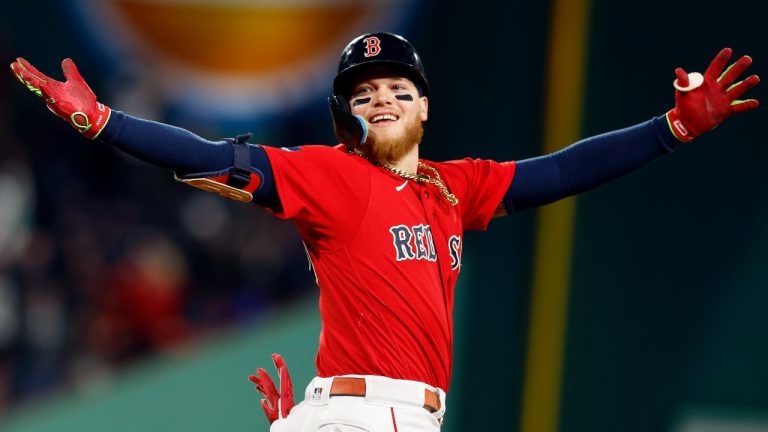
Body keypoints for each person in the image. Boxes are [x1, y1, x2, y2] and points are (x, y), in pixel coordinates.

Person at [9, 32, 759, 431]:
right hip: (376, 417)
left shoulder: (455, 186)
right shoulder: (331, 175)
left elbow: (560, 172)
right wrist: (103, 121)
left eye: (402, 89)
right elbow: (213, 158)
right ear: (348, 118)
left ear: (426, 108)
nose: (386, 99)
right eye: (366, 94)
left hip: (351, 414)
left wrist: (670, 130)